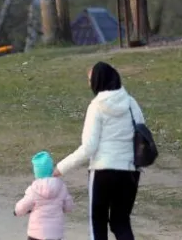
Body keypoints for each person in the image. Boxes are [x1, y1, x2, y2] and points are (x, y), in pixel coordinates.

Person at [52, 62, 145, 240]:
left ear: (98, 81)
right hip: (130, 171)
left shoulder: (96, 107)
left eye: (90, 80)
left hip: (103, 171)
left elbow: (88, 147)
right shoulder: (131, 103)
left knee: (98, 224)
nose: (89, 84)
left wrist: (61, 168)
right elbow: (141, 132)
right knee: (121, 222)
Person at [14, 151, 73, 240]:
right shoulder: (61, 187)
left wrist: (16, 212)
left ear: (36, 172)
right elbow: (69, 207)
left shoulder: (34, 189)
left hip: (36, 234)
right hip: (55, 234)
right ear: (51, 169)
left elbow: (22, 207)